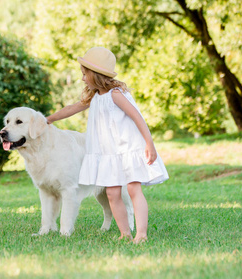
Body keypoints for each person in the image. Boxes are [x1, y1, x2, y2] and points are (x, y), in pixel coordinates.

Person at [46, 47, 169, 244]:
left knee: (133, 189)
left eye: (85, 74)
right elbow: (71, 109)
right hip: (108, 153)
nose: (83, 78)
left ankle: (142, 234)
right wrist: (47, 119)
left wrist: (149, 143)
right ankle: (125, 233)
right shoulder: (94, 96)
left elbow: (138, 117)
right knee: (112, 193)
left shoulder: (116, 95)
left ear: (96, 74)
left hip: (127, 148)